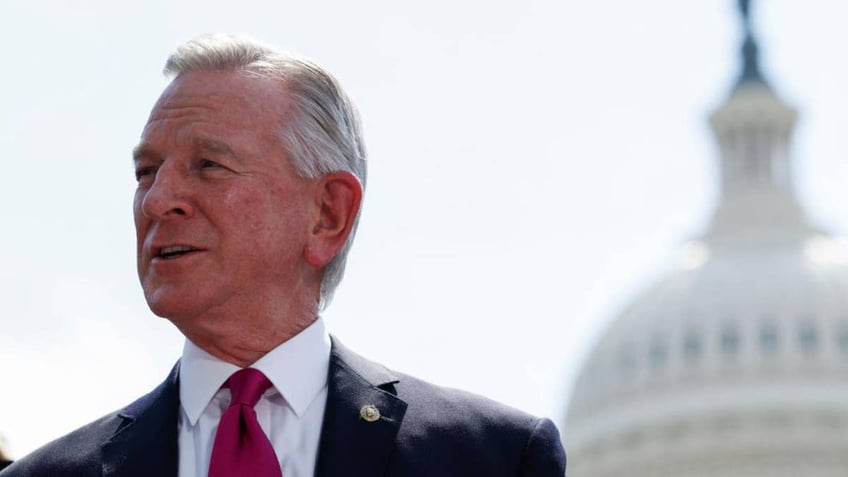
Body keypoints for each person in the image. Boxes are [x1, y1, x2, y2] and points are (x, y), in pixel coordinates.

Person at [0, 34, 566, 476]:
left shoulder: (492, 458)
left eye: (209, 166)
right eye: (146, 172)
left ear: (327, 215)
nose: (159, 199)